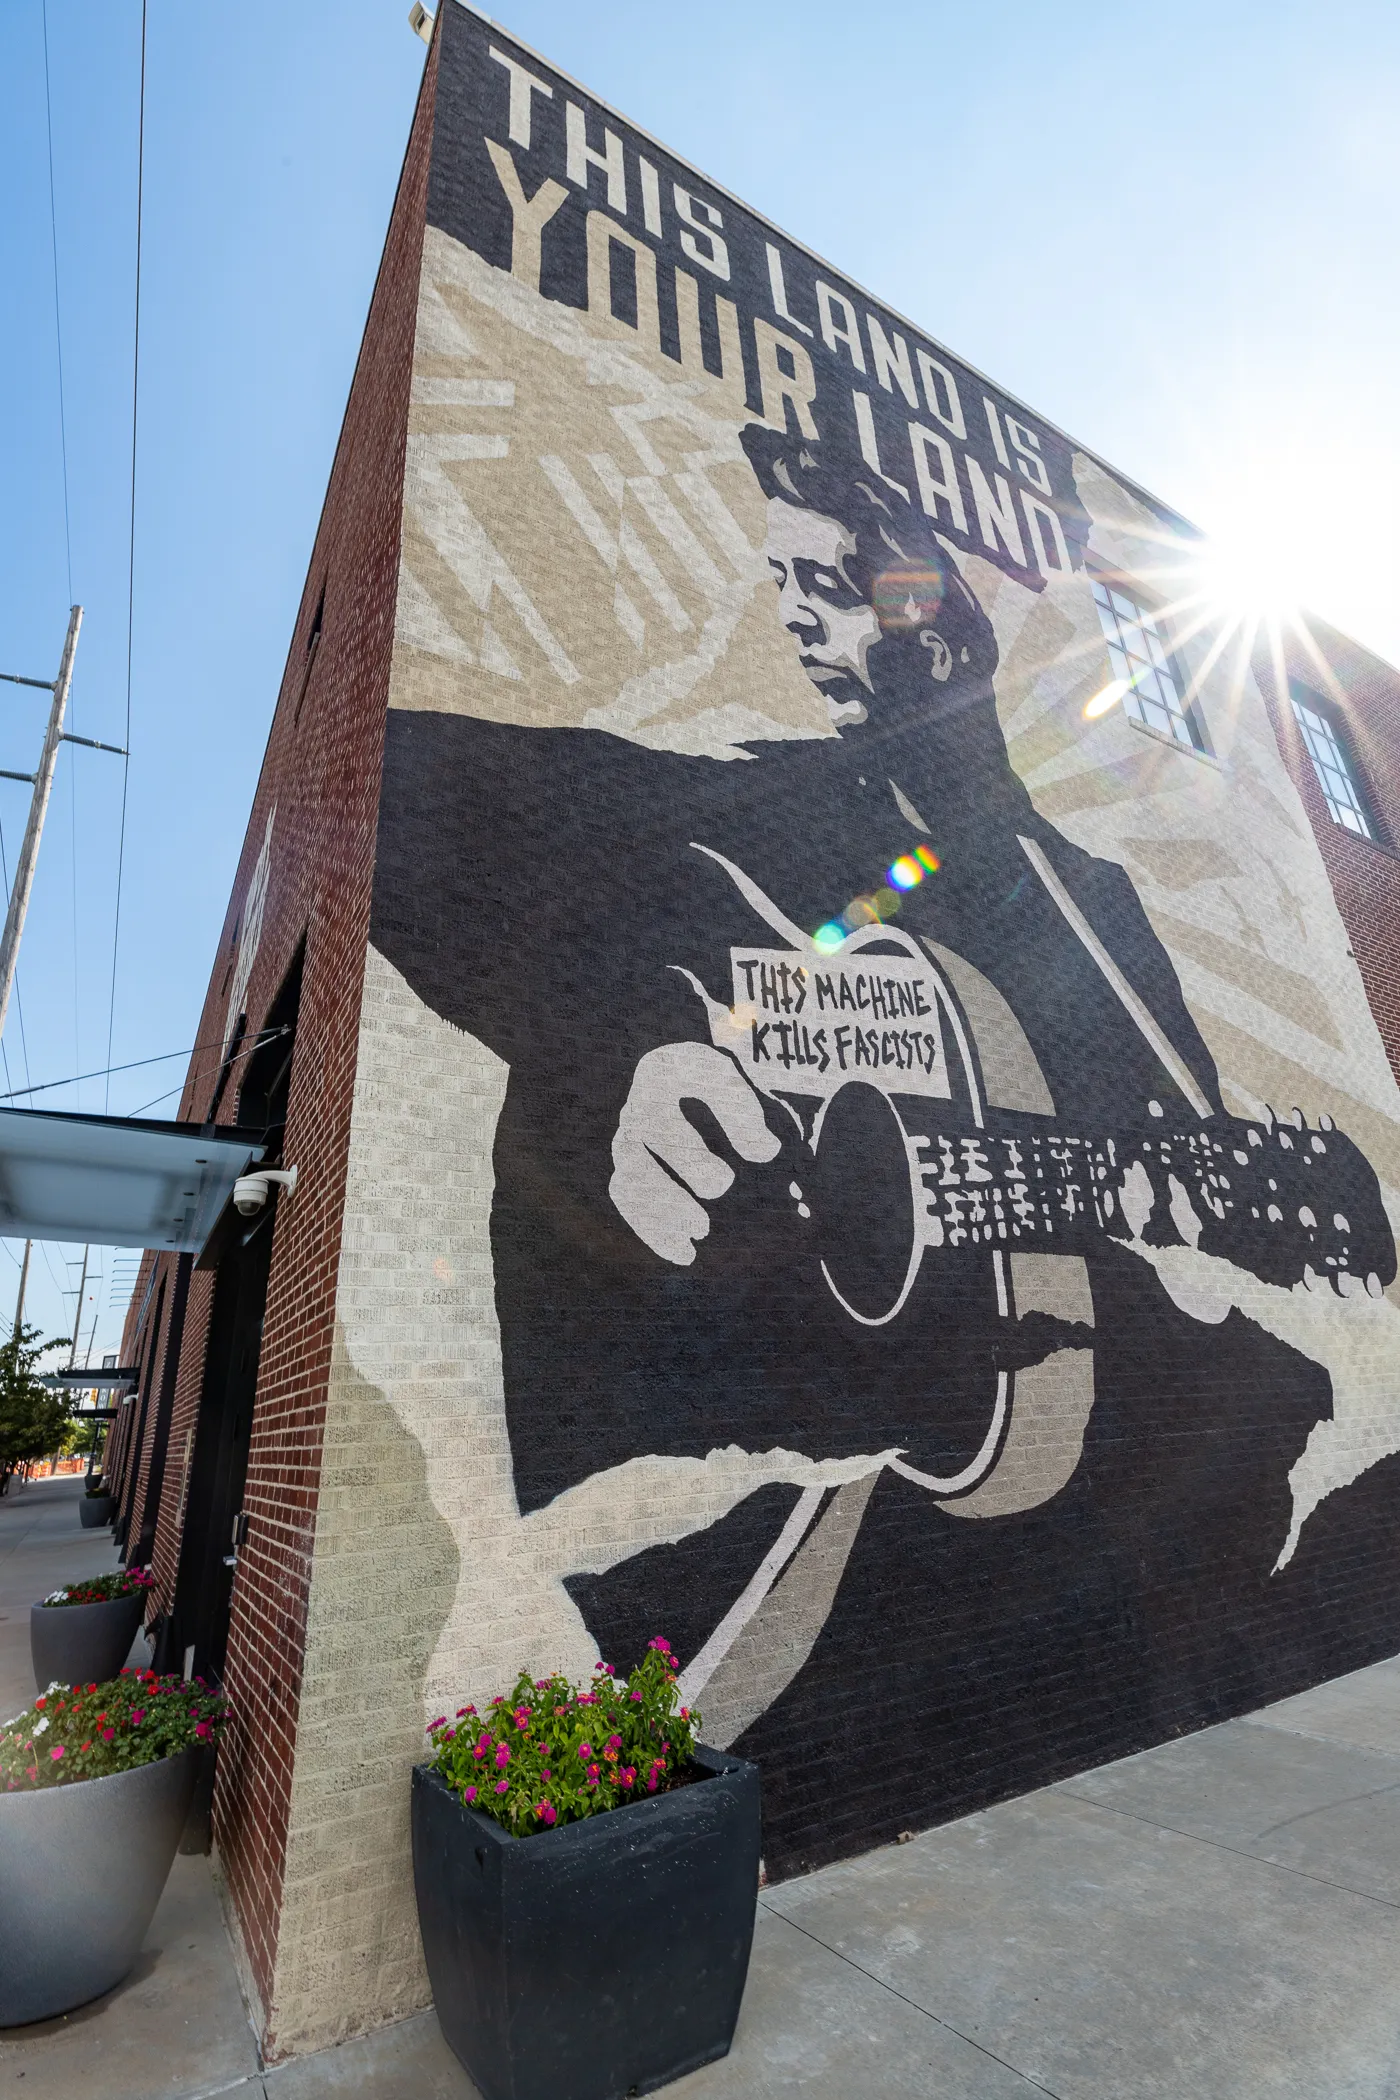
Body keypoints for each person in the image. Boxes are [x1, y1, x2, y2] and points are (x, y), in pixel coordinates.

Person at [370, 421, 1389, 1807]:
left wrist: (1207, 1226)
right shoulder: (741, 815)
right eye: (779, 578)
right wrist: (630, 1048)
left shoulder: (1099, 915)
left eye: (832, 582)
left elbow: (1176, 1234)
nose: (790, 610)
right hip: (793, 1571)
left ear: (946, 633)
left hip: (1084, 1573)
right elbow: (415, 795)